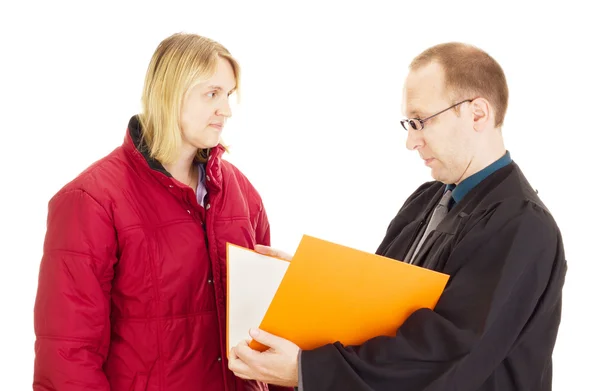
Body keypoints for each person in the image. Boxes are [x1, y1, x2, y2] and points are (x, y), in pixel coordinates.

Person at [227, 42, 567, 390]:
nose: (411, 141)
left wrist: (307, 370)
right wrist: (311, 280)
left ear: (478, 114)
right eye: (409, 123)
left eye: (420, 122)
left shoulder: (521, 224)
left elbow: (448, 355)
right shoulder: (426, 200)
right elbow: (377, 309)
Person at [32, 33, 291, 391]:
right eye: (212, 94)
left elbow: (266, 330)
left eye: (228, 95)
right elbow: (68, 356)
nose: (227, 110)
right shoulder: (90, 200)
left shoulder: (241, 194)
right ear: (171, 94)